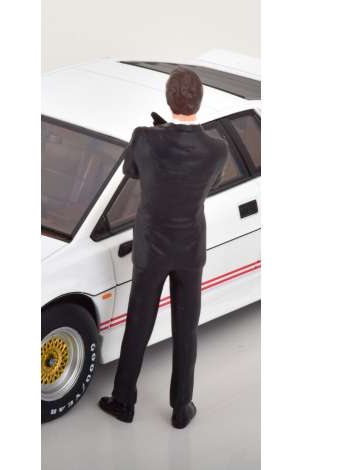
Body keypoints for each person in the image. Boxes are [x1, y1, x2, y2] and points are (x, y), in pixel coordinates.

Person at [98, 67, 228, 429]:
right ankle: (182, 407)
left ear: (168, 99)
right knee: (186, 328)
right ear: (199, 100)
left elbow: (131, 170)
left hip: (151, 247)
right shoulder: (217, 148)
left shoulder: (144, 138)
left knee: (138, 323)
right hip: (190, 249)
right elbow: (211, 183)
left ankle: (123, 401)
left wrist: (157, 136)